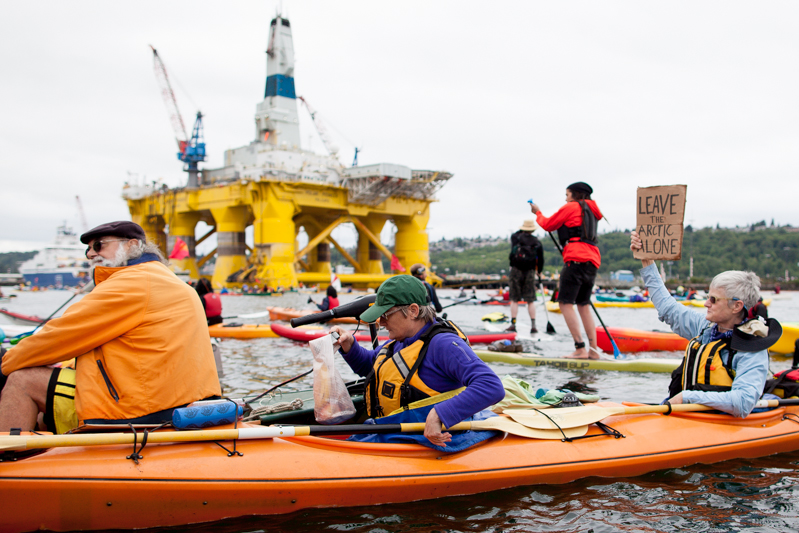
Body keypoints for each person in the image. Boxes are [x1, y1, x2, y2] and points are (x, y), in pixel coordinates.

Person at [0, 221, 221, 433]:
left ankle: (9, 460)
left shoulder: (130, 283)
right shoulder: (166, 279)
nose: (90, 254)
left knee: (22, 380)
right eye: (87, 249)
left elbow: (59, 335)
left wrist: (6, 363)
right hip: (183, 401)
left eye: (99, 245)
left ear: (132, 245)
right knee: (54, 378)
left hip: (143, 407)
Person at [330, 275, 504, 447]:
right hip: (392, 429)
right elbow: (371, 367)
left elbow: (491, 385)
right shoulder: (398, 341)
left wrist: (440, 414)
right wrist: (349, 344)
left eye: (385, 315)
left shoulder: (443, 344)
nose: (381, 322)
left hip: (420, 437)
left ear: (413, 311)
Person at [630, 231, 779, 417]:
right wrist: (647, 261)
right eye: (708, 297)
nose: (706, 303)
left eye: (714, 299)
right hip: (687, 417)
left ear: (736, 306)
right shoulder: (706, 328)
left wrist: (687, 397)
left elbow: (743, 403)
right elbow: (667, 308)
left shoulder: (752, 349)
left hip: (721, 424)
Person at [530, 182, 603, 358]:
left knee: (564, 303)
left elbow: (548, 224)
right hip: (592, 259)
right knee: (583, 304)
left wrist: (537, 213)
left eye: (567, 194)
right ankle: (594, 351)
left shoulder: (572, 207)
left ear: (575, 194)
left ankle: (580, 348)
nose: (565, 198)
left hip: (576, 258)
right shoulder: (594, 211)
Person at [506, 220, 544, 333]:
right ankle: (533, 325)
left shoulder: (516, 238)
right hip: (530, 271)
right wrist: (539, 271)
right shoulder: (537, 242)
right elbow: (541, 259)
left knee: (514, 299)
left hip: (516, 270)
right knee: (530, 300)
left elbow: (512, 254)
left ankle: (513, 324)